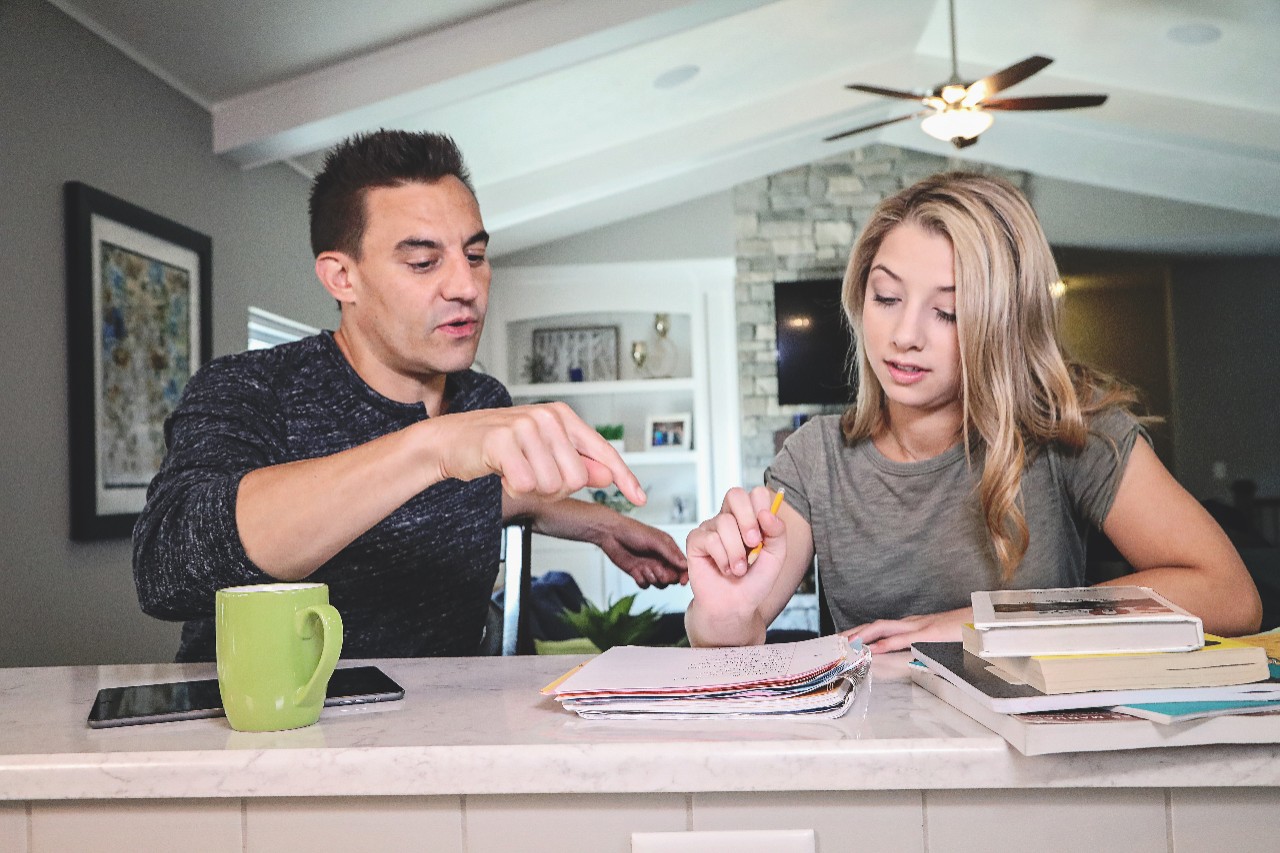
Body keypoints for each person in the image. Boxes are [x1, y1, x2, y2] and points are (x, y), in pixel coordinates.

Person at [133, 129, 687, 662]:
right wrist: (431, 448)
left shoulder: (481, 399)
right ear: (341, 278)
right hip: (262, 738)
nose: (465, 287)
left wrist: (602, 524)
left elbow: (475, 498)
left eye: (474, 256)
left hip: (441, 735)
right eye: (423, 262)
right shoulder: (250, 387)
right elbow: (169, 569)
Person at [684, 172, 1261, 652]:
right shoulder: (815, 457)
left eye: (950, 312)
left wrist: (983, 620)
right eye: (886, 298)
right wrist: (725, 611)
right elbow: (733, 638)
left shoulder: (1071, 434)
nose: (904, 335)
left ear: (1003, 322)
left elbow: (1231, 596)